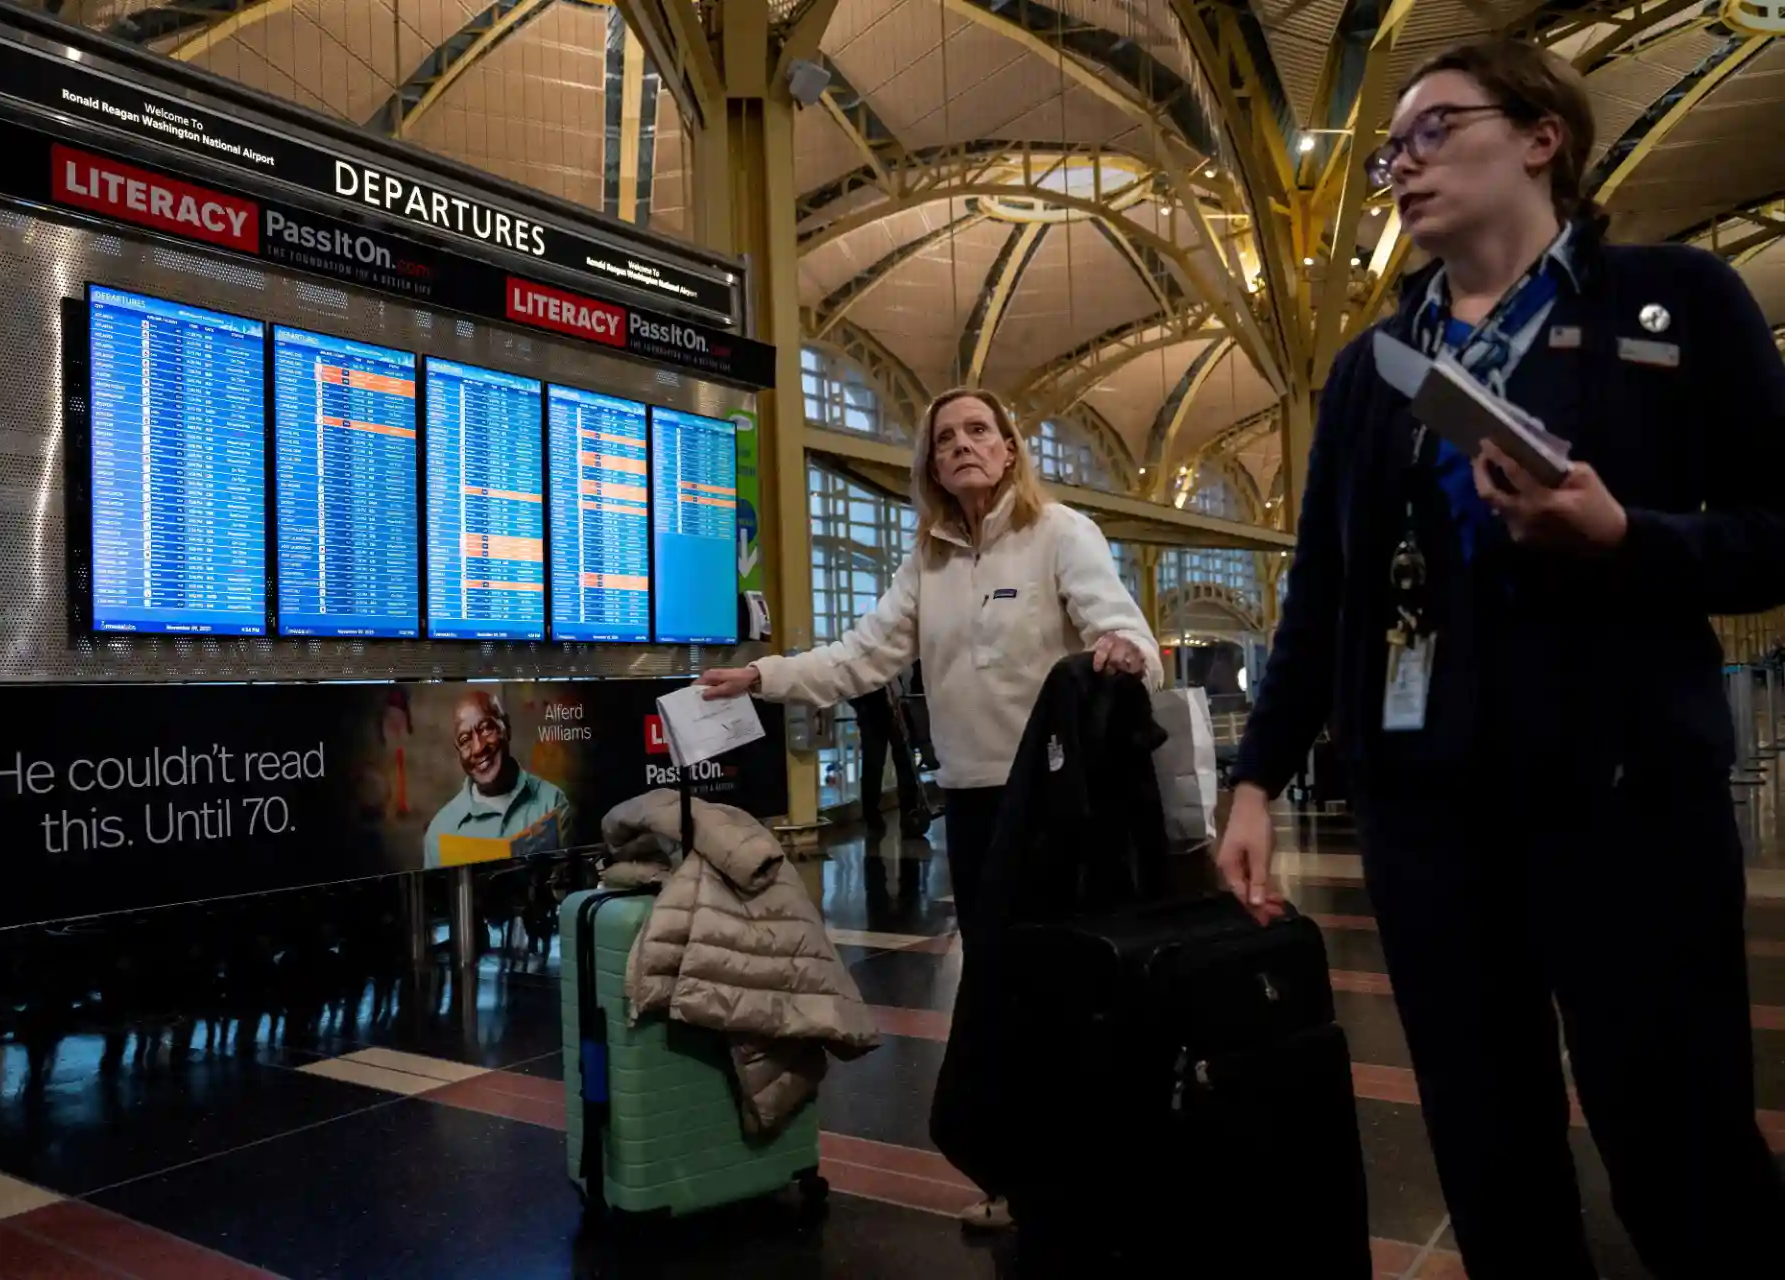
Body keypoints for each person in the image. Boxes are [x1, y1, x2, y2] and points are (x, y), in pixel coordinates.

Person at [1216, 37, 1785, 1277]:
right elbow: (1328, 586)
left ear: (1543, 137)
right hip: (1430, 815)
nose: (1403, 167)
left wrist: (1627, 535)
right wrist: (1254, 777)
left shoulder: (1675, 300)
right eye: (1388, 153)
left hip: (1625, 803)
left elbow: (1775, 534)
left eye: (1433, 130)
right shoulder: (1378, 367)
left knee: (1677, 1137)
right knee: (1488, 1145)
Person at [699, 386, 1163, 1231]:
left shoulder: (1061, 535)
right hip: (977, 812)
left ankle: (1097, 1174)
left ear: (1011, 448)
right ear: (931, 465)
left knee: (1067, 991)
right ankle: (1020, 1178)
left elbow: (1126, 635)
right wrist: (763, 677)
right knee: (998, 1000)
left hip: (1061, 809)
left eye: (978, 430)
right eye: (944, 437)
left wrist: (1123, 652)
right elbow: (857, 659)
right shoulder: (926, 566)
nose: (961, 445)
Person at [422, 688, 573, 869]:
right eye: (465, 740)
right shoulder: (439, 830)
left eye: (486, 729)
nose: (478, 748)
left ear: (506, 728)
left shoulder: (553, 803)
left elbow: (570, 890)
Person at [849, 676, 921, 836]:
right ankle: (872, 815)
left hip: (894, 709)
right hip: (873, 712)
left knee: (903, 760)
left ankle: (909, 809)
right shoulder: (864, 667)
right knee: (874, 764)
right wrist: (862, 708)